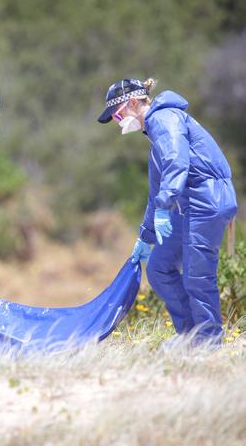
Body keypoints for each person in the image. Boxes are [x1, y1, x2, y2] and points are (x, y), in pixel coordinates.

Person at [97, 78, 238, 346]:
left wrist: (164, 207)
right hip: (188, 204)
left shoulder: (165, 119)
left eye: (117, 115)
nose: (117, 122)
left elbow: (176, 163)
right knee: (160, 268)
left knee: (197, 277)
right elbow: (156, 193)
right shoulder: (154, 135)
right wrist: (146, 236)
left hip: (207, 200)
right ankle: (189, 335)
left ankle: (208, 341)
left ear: (135, 103)